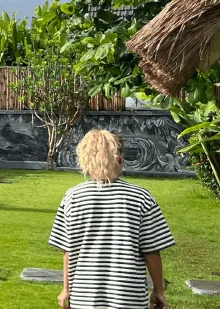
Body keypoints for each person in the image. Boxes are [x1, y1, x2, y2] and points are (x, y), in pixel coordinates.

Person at [50, 130, 174, 309]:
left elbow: (68, 249)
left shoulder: (72, 198)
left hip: (84, 296)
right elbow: (152, 250)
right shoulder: (141, 198)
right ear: (120, 159)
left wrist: (66, 288)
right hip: (128, 296)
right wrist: (158, 290)